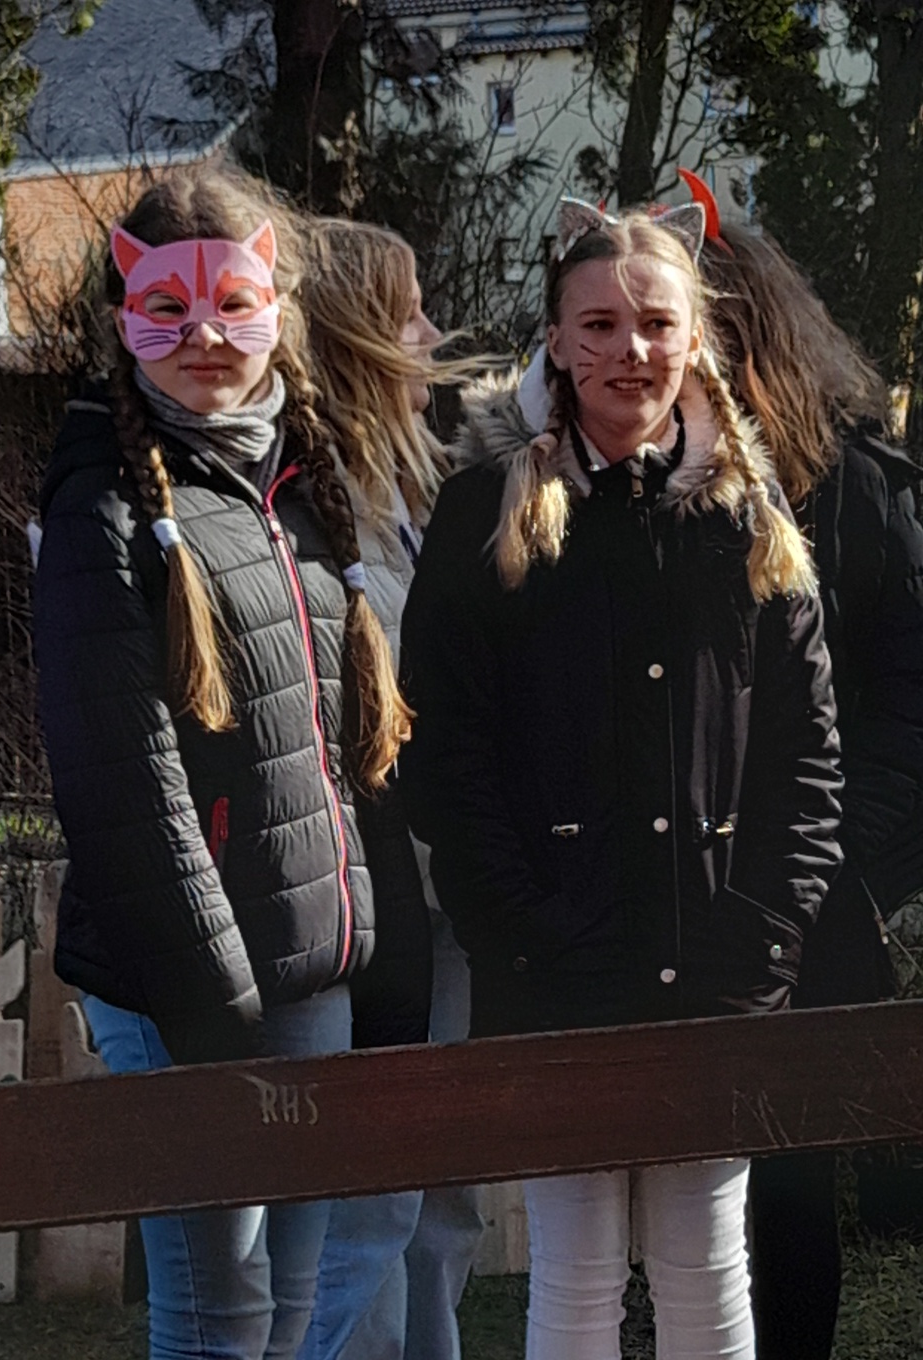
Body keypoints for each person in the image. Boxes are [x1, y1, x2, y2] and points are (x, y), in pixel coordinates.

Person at [398, 198, 845, 1360]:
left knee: (707, 1270)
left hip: (720, 978)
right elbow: (445, 760)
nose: (628, 351)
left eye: (654, 324)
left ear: (695, 338)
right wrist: (526, 937)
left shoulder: (748, 517)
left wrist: (759, 945)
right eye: (597, 325)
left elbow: (806, 767)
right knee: (576, 1275)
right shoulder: (482, 513)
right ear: (554, 340)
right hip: (554, 980)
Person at [32, 163, 427, 1360]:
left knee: (287, 1314)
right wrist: (214, 1012)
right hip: (189, 993)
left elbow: (338, 747)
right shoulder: (102, 507)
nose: (205, 334)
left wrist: (368, 957)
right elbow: (121, 779)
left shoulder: (298, 490)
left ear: (278, 310)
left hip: (306, 975)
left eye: (234, 304)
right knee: (221, 1322)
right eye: (169, 307)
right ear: (124, 317)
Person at [699, 212, 923, 1360]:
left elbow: (909, 697)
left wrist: (835, 859)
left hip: (815, 896)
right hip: (679, 895)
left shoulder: (860, 488)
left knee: (788, 1182)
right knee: (684, 1190)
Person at [297, 218, 485, 1360]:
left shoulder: (422, 484)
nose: (430, 331)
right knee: (367, 1210)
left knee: (442, 1196)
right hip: (368, 907)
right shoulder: (312, 505)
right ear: (358, 334)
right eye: (408, 312)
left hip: (449, 894)